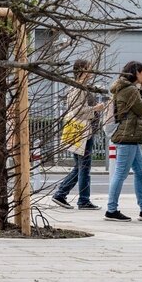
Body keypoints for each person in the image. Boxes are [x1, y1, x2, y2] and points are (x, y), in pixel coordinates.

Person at [104, 61, 142, 222]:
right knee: (120, 173)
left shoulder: (127, 89)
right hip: (127, 137)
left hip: (130, 137)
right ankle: (111, 210)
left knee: (141, 172)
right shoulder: (130, 90)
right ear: (136, 73)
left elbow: (138, 116)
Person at [51, 59, 104, 210]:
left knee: (80, 167)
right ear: (82, 70)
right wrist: (96, 108)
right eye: (89, 69)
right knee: (84, 168)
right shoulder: (78, 88)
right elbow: (77, 111)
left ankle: (61, 194)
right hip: (83, 133)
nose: (91, 72)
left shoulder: (81, 87)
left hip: (83, 132)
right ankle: (83, 200)